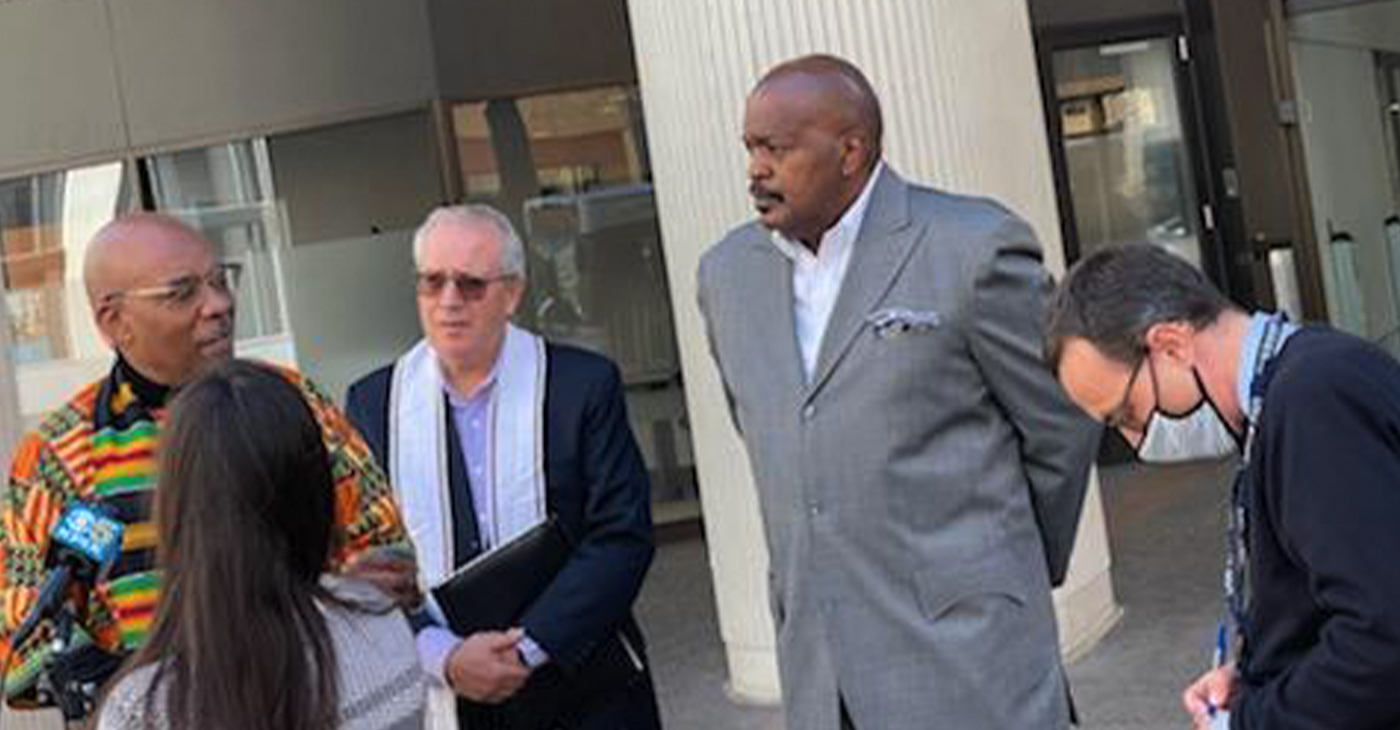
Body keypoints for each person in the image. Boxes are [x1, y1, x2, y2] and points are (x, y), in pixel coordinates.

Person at [696, 54, 1101, 730]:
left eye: (777, 148)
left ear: (851, 149)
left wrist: (1005, 568)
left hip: (972, 663)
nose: (756, 169)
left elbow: (1063, 421)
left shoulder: (972, 247)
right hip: (823, 678)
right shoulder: (726, 275)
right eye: (749, 148)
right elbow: (778, 443)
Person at [0, 213, 413, 708]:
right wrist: (133, 694)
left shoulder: (296, 403)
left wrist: (351, 592)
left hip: (319, 701)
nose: (218, 305)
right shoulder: (58, 458)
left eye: (220, 281)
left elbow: (388, 552)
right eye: (182, 293)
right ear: (114, 322)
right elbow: (25, 638)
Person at [1045, 243, 1400, 730]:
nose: (1134, 440)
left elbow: (1381, 638)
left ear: (1171, 344)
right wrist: (1250, 671)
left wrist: (1248, 721)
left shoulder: (1313, 400)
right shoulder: (1288, 394)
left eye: (1125, 414)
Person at [345, 205, 660, 730]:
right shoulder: (375, 402)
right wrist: (443, 654)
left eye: (470, 284)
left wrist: (526, 649)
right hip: (446, 690)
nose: (448, 302)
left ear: (511, 293)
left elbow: (622, 535)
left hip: (581, 678)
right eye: (432, 283)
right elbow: (364, 558)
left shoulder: (580, 385)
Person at [95, 359, 425, 730]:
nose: (216, 308)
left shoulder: (145, 710)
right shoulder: (381, 627)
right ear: (317, 491)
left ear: (179, 513)